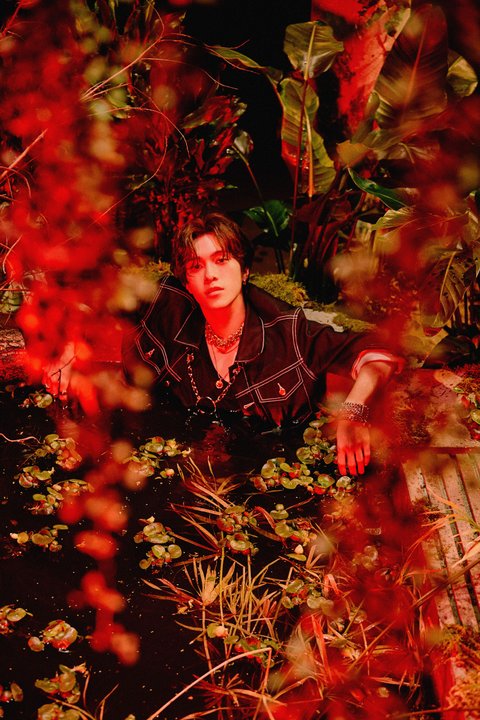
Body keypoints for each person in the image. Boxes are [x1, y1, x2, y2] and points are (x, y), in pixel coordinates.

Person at [123, 212, 402, 477]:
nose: (210, 275)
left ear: (244, 271)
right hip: (188, 466)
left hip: (276, 472)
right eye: (196, 266)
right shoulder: (168, 309)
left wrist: (354, 411)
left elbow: (380, 352)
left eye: (221, 260)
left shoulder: (289, 333)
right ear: (186, 283)